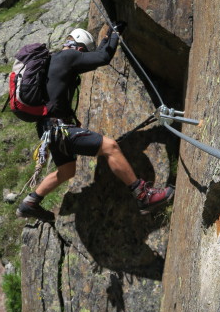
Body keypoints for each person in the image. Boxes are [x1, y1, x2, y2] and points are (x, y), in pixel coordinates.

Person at [16, 25, 174, 222]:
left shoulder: (51, 61)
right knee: (110, 147)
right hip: (59, 129)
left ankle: (30, 203)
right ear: (80, 48)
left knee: (67, 170)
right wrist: (114, 33)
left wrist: (108, 36)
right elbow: (102, 57)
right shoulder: (69, 57)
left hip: (48, 130)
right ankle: (144, 196)